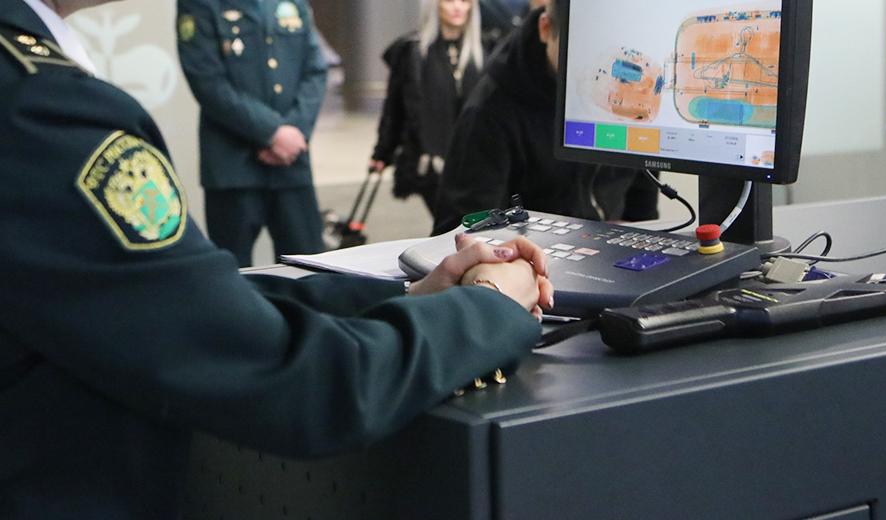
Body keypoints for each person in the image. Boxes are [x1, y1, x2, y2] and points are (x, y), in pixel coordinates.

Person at [0, 0, 554, 517]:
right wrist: (490, 306)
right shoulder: (38, 104)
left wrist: (409, 294)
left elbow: (179, 306)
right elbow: (300, 385)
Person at [431, 0, 660, 236]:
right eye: (584, 48)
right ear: (545, 28)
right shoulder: (490, 110)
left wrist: (644, 238)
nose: (601, 69)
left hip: (610, 247)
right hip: (532, 252)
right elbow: (460, 232)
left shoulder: (625, 90)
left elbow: (643, 196)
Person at [176, 0, 327, 267]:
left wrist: (294, 133)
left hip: (292, 164)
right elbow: (206, 79)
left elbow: (315, 69)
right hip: (233, 166)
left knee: (309, 269)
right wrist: (272, 132)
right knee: (232, 274)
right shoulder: (200, 3)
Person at [370, 0, 492, 219]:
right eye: (449, 0)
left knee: (472, 225)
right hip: (431, 160)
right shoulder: (413, 51)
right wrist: (382, 152)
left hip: (476, 160)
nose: (458, 7)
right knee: (450, 222)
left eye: (464, 1)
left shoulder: (486, 48)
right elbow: (395, 106)